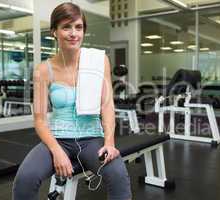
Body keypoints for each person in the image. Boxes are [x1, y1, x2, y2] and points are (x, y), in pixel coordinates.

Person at [12, 2, 132, 200]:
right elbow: (40, 120)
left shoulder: (99, 61)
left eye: (78, 27)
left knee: (118, 175)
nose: (73, 33)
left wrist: (109, 143)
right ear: (54, 32)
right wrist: (56, 151)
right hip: (58, 138)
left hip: (92, 139)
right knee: (25, 179)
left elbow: (107, 105)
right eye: (66, 27)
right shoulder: (44, 70)